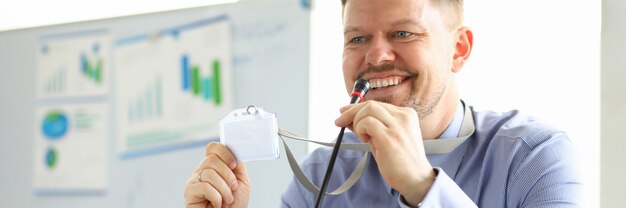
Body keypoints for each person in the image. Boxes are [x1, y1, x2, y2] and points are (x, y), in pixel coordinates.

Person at [183, 0, 582, 207]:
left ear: (458, 49)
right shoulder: (320, 179)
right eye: (356, 39)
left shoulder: (535, 158)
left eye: (403, 33)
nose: (375, 57)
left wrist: (422, 187)